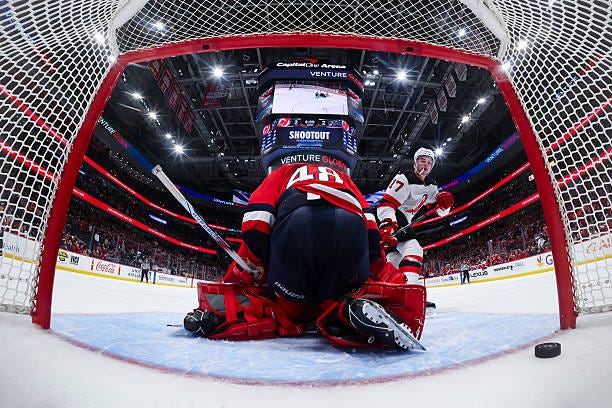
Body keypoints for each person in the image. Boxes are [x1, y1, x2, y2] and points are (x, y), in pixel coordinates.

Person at [184, 162, 426, 351]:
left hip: (299, 225)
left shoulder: (284, 172)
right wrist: (376, 264)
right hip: (352, 228)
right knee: (337, 297)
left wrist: (257, 262)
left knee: (293, 313)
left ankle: (222, 317)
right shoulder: (345, 179)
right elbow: (371, 229)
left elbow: (257, 219)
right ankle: (346, 309)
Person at [376, 148, 455, 308]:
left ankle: (393, 295)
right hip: (395, 218)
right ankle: (410, 295)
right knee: (414, 249)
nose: (425, 165)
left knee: (395, 259)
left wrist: (445, 204)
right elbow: (386, 204)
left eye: (428, 163)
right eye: (422, 161)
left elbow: (439, 211)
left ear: (431, 166)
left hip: (404, 220)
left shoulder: (432, 185)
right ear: (415, 162)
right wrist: (387, 224)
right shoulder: (404, 178)